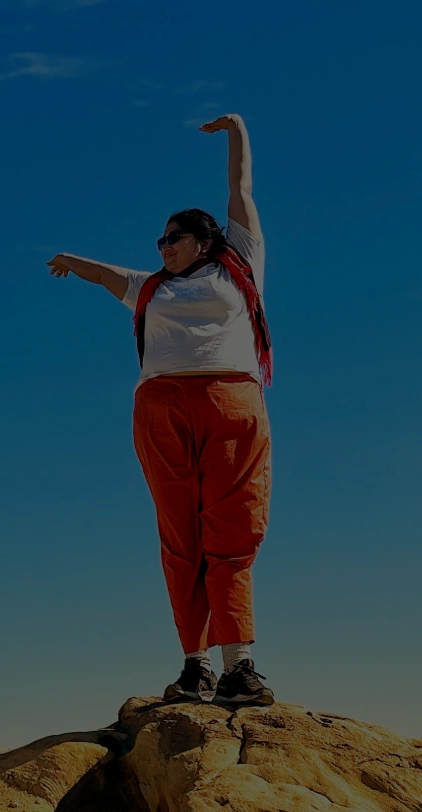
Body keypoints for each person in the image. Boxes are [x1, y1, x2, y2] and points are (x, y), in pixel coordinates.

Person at [46, 114, 277, 707]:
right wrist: (72, 260)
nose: (162, 246)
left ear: (204, 241)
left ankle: (240, 667)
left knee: (232, 535)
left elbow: (240, 190)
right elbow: (106, 276)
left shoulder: (240, 264)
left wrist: (237, 131)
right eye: (159, 241)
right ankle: (196, 666)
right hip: (161, 409)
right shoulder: (151, 287)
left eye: (172, 237)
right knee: (181, 539)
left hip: (231, 403)